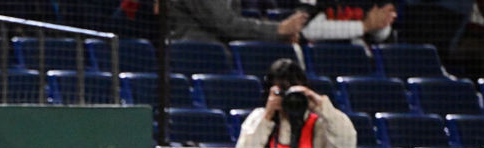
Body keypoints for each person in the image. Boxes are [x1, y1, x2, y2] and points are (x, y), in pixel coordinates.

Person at [236, 58, 357, 148]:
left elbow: (347, 145)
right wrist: (267, 117)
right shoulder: (259, 117)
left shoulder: (319, 123)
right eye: (283, 92)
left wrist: (322, 106)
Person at [168, 0, 308, 43]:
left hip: (220, 53)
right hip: (196, 54)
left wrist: (280, 35)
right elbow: (226, 24)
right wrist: (278, 29)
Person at [297, 1, 396, 44]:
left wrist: (382, 24)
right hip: (320, 56)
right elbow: (307, 30)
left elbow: (381, 36)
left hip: (359, 58)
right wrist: (363, 27)